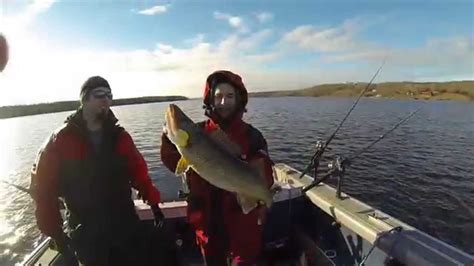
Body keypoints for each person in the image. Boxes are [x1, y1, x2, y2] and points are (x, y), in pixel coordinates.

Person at [30, 76, 167, 265]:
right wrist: (55, 232)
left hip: (124, 224)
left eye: (109, 95)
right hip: (86, 231)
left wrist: (154, 204)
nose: (106, 100)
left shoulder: (121, 136)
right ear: (84, 99)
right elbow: (43, 191)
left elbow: (139, 173)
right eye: (99, 95)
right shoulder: (60, 140)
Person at [160, 70, 274, 265]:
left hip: (242, 226)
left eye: (229, 96)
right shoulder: (198, 131)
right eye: (218, 96)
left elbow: (265, 177)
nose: (223, 102)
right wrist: (168, 141)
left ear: (239, 99)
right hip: (208, 225)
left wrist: (260, 193)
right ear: (210, 99)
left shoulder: (253, 136)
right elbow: (175, 166)